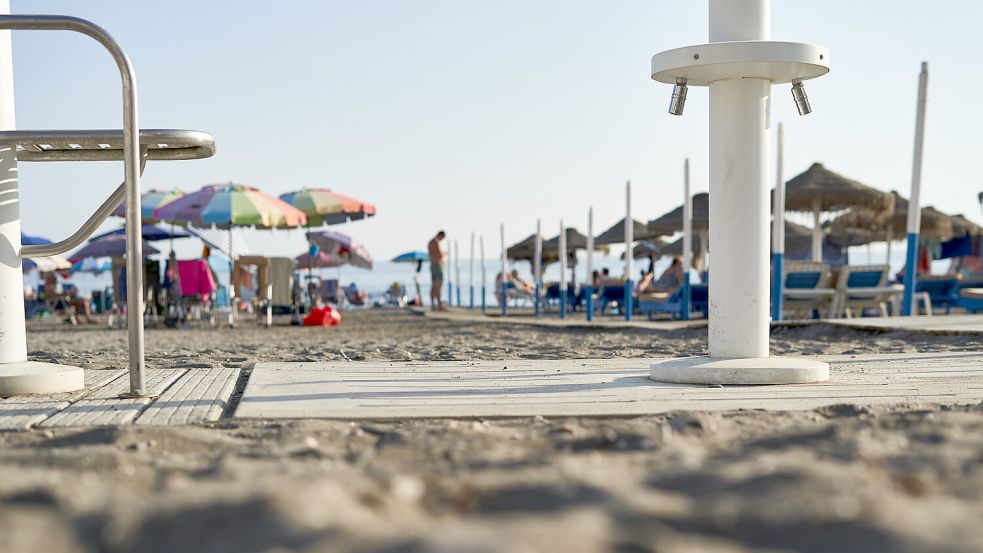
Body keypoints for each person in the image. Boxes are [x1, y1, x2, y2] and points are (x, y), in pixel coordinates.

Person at [427, 230, 446, 310]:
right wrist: (444, 254)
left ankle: (433, 304)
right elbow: (439, 255)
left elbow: (431, 254)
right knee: (438, 285)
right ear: (440, 235)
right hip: (437, 265)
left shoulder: (430, 242)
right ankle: (439, 304)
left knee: (434, 285)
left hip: (432, 265)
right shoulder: (436, 242)